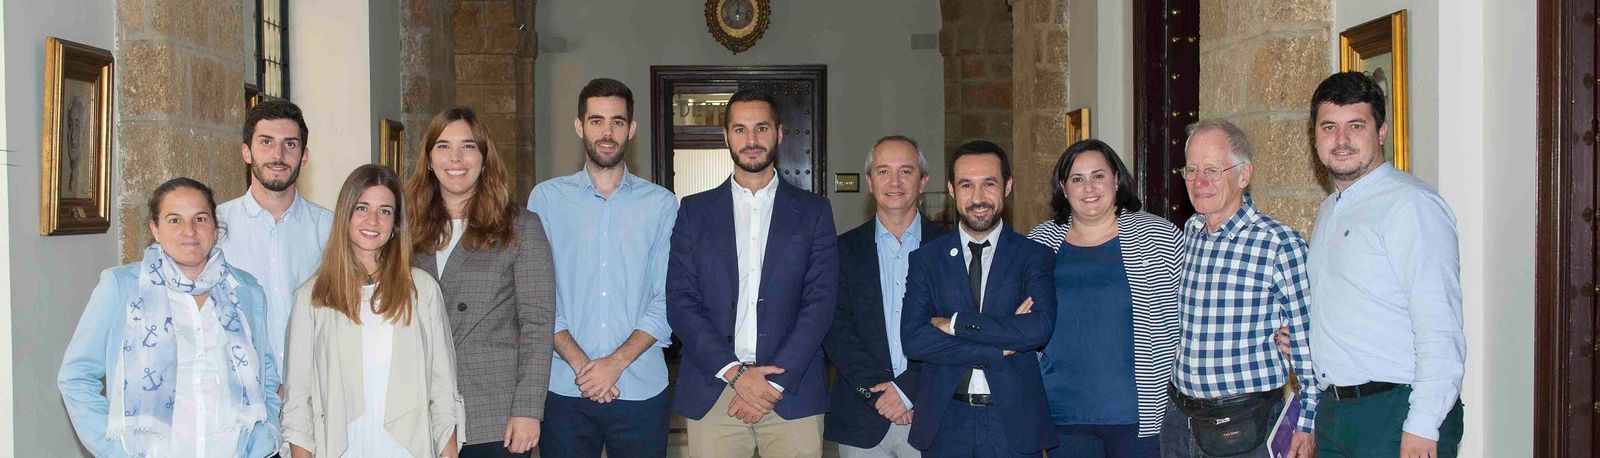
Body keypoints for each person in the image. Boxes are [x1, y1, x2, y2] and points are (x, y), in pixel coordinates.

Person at [666, 88, 839, 458]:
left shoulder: (814, 212)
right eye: (740, 130)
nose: (752, 140)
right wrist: (736, 374)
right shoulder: (693, 213)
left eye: (761, 128)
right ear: (727, 137)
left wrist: (772, 384)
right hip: (716, 390)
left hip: (791, 392)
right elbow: (681, 302)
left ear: (778, 133)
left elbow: (820, 303)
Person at [60, 177, 282, 457]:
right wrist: (115, 449)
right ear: (155, 229)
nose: (189, 231)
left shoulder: (246, 290)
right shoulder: (121, 287)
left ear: (215, 227)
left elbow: (267, 372)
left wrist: (267, 433)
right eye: (174, 220)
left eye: (200, 219)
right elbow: (76, 376)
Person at [1305, 71, 1465, 457]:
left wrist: (1423, 424)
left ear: (1381, 132)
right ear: (1315, 136)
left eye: (1355, 126)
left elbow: (1439, 324)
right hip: (1337, 413)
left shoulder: (1410, 205)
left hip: (1396, 413)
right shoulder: (1331, 209)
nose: (1341, 141)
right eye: (1329, 127)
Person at [527, 78, 677, 457]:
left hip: (641, 387)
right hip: (565, 388)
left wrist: (615, 363)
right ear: (579, 126)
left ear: (632, 129)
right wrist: (584, 367)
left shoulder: (661, 205)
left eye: (617, 121)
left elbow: (668, 298)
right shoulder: (545, 199)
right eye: (596, 121)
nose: (607, 132)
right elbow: (537, 298)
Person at [282, 164, 463, 457]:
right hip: (341, 446)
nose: (373, 220)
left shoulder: (422, 290)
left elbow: (442, 389)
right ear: (345, 215)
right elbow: (298, 400)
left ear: (396, 224)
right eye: (362, 208)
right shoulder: (313, 298)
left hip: (408, 445)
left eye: (385, 211)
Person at [405, 107, 556, 458]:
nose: (455, 158)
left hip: (494, 411)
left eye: (468, 146)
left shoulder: (520, 226)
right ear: (428, 159)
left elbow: (537, 323)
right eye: (443, 146)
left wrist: (529, 409)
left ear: (484, 157)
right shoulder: (405, 228)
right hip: (419, 405)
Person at [1163, 120, 1318, 458]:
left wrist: (1306, 425)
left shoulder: (1279, 244)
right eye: (1191, 170)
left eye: (1213, 170)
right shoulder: (1190, 232)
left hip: (1244, 427)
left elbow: (1306, 344)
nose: (1199, 182)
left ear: (1243, 175)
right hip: (1180, 420)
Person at [900, 140, 1058, 457]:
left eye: (989, 184)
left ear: (1008, 186)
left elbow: (1039, 329)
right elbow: (915, 340)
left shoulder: (1034, 256)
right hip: (946, 421)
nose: (978, 198)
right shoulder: (926, 260)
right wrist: (1001, 345)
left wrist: (955, 323)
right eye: (966, 185)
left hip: (1012, 421)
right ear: (951, 189)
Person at [1025, 140, 1181, 457]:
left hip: (1139, 416)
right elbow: (1021, 318)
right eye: (1077, 179)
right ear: (1063, 187)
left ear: (1116, 179)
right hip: (1062, 413)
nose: (1089, 188)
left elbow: (1191, 311)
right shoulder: (1041, 241)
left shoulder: (1158, 235)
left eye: (1098, 176)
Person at [823, 135, 949, 457]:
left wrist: (907, 390)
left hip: (932, 416)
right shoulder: (842, 250)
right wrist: (878, 393)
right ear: (869, 181)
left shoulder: (950, 250)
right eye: (883, 172)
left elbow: (954, 332)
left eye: (906, 172)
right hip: (862, 416)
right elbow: (836, 330)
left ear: (923, 182)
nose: (894, 182)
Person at [217, 99, 334, 382]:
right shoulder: (217, 226)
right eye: (266, 143)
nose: (278, 155)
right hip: (241, 392)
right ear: (247, 152)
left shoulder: (331, 227)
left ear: (304, 156)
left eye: (290, 144)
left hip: (315, 390)